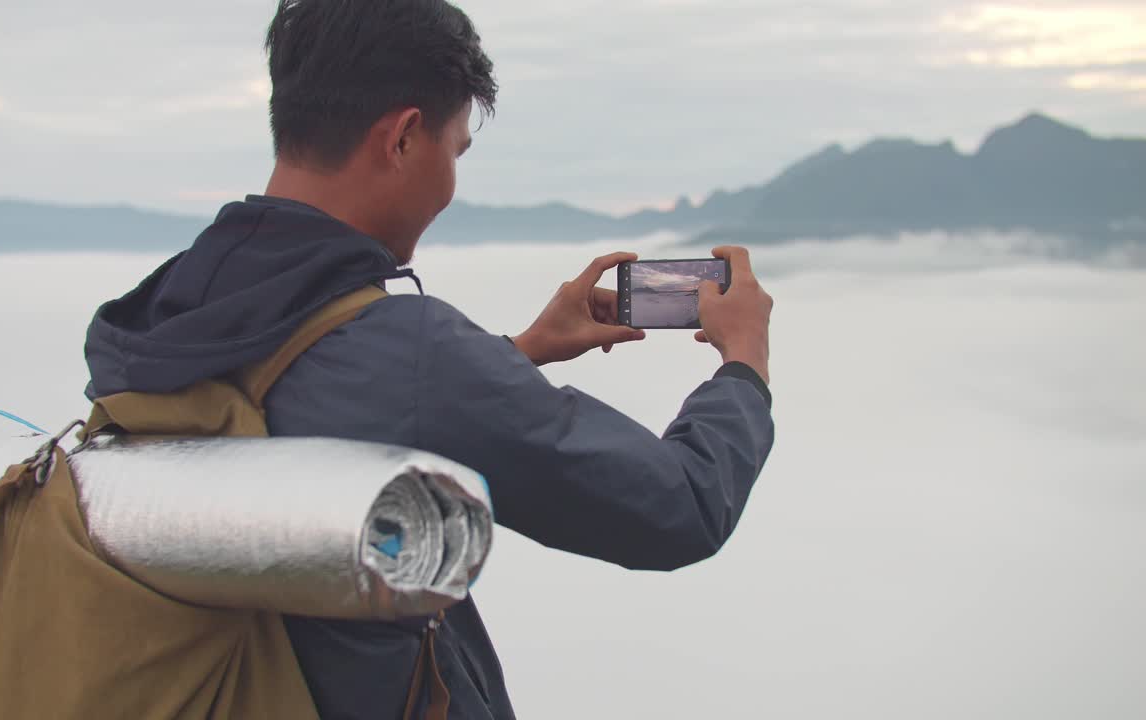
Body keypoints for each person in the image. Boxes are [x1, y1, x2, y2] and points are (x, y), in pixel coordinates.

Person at [82, 0, 775, 717]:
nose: (451, 178)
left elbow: (330, 404)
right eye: (455, 149)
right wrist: (743, 365)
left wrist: (515, 355)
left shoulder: (172, 308)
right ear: (405, 138)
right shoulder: (407, 355)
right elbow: (678, 506)